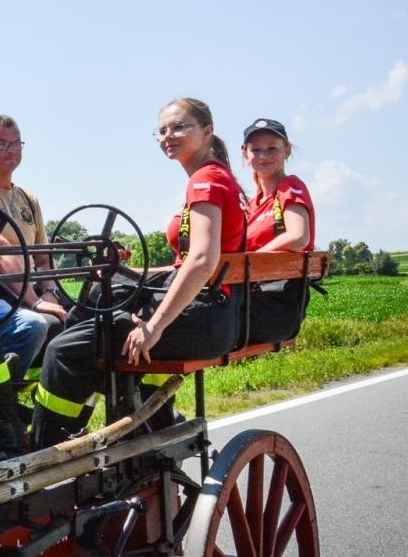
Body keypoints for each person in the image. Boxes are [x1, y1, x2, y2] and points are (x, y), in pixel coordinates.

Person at [31, 98, 246, 446]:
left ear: (207, 132)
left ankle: (45, 449)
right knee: (99, 295)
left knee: (64, 350)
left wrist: (153, 327)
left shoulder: (206, 181)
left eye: (178, 127)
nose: (168, 136)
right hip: (211, 311)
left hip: (202, 317)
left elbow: (203, 259)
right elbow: (187, 263)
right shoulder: (212, 177)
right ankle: (145, 421)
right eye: (162, 130)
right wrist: (128, 272)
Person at [0, 115, 67, 372]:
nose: (12, 151)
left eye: (17, 144)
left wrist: (49, 291)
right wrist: (35, 302)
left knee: (88, 320)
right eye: (3, 144)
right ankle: (3, 397)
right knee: (40, 324)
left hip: (30, 291)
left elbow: (42, 257)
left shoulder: (28, 198)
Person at [241, 118, 317, 343]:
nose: (263, 156)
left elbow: (297, 236)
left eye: (272, 148)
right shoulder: (251, 203)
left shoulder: (289, 186)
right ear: (245, 153)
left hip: (276, 302)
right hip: (251, 297)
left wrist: (252, 259)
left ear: (287, 150)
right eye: (256, 150)